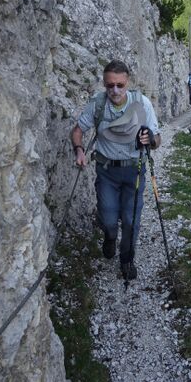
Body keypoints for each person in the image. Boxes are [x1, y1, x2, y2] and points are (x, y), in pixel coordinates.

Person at [71, 60, 161, 280]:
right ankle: (110, 236)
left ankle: (127, 260)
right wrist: (79, 151)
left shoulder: (142, 104)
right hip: (107, 171)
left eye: (120, 85)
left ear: (127, 82)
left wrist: (149, 139)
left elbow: (158, 139)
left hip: (134, 170)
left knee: (131, 221)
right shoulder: (97, 105)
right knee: (109, 218)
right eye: (110, 85)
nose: (115, 90)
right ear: (104, 83)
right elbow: (77, 131)